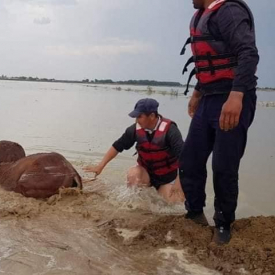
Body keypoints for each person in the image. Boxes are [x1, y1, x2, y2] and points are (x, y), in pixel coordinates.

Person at [179, 0, 259, 244]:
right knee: (190, 159)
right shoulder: (200, 16)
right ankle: (194, 213)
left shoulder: (229, 12)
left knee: (224, 166)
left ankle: (223, 223)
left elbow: (248, 53)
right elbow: (209, 61)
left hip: (233, 97)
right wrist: (197, 92)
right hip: (208, 97)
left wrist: (236, 96)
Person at [84, 98, 185, 203]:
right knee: (133, 174)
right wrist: (100, 166)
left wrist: (179, 181)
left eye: (140, 116)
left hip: (167, 178)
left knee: (175, 201)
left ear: (151, 116)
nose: (136, 120)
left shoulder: (171, 131)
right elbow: (117, 146)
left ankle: (165, 192)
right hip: (146, 174)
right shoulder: (134, 130)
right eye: (136, 117)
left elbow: (185, 158)